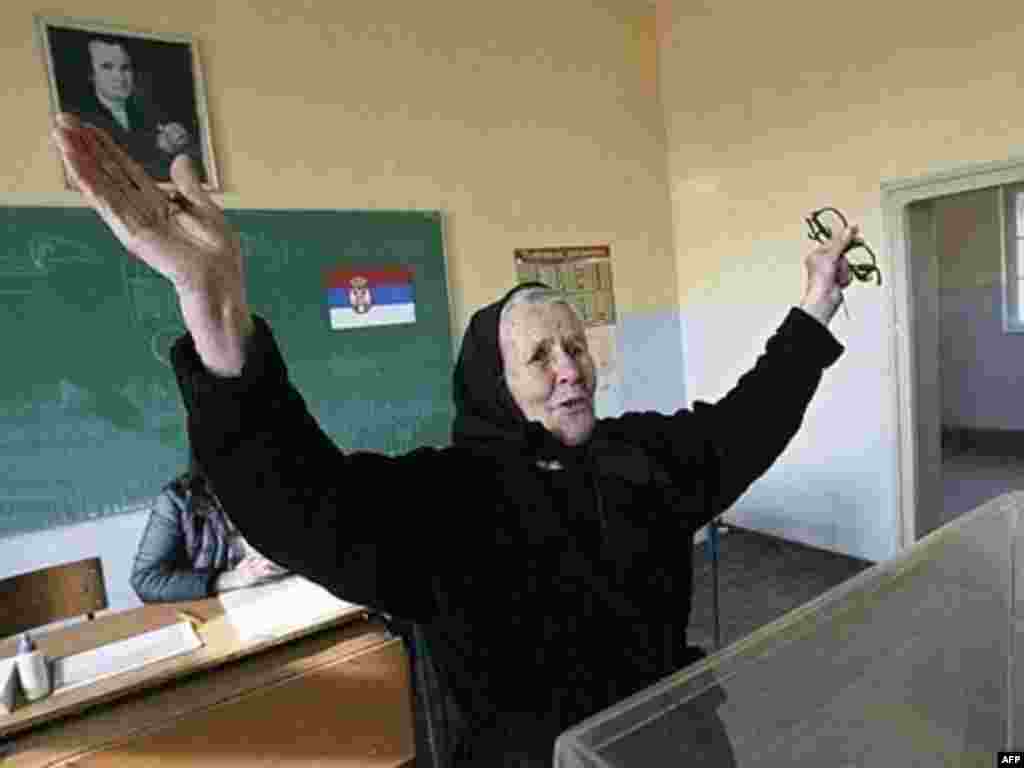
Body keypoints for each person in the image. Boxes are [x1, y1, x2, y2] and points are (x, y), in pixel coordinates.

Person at [50, 112, 857, 766]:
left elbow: (755, 414)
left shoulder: (646, 455)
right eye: (537, 356)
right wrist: (217, 313)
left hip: (668, 748)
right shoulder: (451, 498)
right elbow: (301, 506)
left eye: (574, 345)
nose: (569, 368)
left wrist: (817, 304)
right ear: (494, 386)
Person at [130, 445, 290, 603]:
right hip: (216, 614)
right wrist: (233, 579)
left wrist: (295, 559)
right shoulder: (177, 501)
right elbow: (145, 581)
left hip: (285, 599)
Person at [70, 36, 201, 182]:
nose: (119, 77)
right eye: (107, 67)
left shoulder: (151, 111)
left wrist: (180, 141)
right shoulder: (80, 119)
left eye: (125, 68)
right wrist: (161, 149)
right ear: (91, 75)